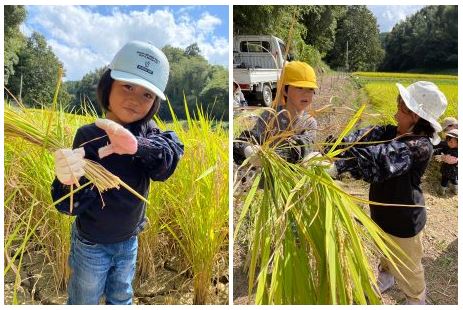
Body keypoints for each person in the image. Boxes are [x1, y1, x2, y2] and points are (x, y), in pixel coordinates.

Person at [51, 41, 184, 305]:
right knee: (83, 299)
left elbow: (167, 161)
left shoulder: (148, 132)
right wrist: (67, 182)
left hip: (128, 242)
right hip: (91, 244)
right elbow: (69, 205)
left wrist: (137, 146)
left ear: (155, 102)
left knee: (121, 297)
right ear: (108, 84)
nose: (135, 99)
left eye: (147, 94)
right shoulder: (89, 136)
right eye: (128, 86)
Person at [327, 81, 447, 305]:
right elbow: (370, 134)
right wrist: (336, 147)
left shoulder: (420, 146)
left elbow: (381, 159)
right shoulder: (393, 132)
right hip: (382, 210)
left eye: (401, 109)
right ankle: (386, 276)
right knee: (385, 250)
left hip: (405, 219)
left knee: (409, 266)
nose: (395, 114)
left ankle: (416, 298)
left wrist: (340, 166)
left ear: (415, 115)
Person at [233, 61, 318, 165]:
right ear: (285, 90)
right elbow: (248, 139)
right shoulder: (269, 116)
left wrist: (272, 156)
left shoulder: (309, 123)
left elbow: (304, 147)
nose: (306, 94)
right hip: (269, 177)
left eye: (310, 89)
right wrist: (248, 150)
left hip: (296, 177)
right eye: (299, 88)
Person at [434, 129, 458, 195]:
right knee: (453, 180)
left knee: (445, 179)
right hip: (449, 169)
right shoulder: (449, 147)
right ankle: (455, 189)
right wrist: (435, 151)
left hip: (451, 169)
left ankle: (441, 191)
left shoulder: (457, 151)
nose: (449, 143)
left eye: (451, 142)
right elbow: (441, 150)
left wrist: (442, 157)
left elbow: (452, 160)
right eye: (448, 141)